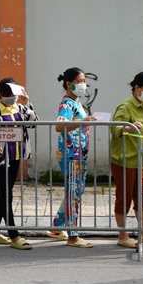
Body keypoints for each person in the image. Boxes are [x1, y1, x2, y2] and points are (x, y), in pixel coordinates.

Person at [0, 77, 38, 250]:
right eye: (8, 94)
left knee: (5, 194)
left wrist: (27, 104)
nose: (12, 97)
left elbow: (33, 123)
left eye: (14, 94)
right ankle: (14, 234)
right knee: (7, 195)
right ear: (0, 94)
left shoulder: (19, 107)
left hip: (16, 156)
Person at [110, 71, 143, 249]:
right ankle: (122, 235)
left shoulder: (141, 105)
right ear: (137, 88)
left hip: (138, 159)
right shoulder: (125, 107)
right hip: (124, 160)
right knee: (124, 198)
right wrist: (128, 128)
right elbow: (114, 129)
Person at [48, 68, 97, 248]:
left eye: (84, 80)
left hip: (79, 154)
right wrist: (84, 121)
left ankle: (56, 226)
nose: (83, 84)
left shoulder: (77, 103)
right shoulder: (67, 104)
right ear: (69, 84)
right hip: (70, 155)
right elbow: (60, 127)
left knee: (77, 190)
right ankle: (73, 235)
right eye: (80, 81)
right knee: (73, 192)